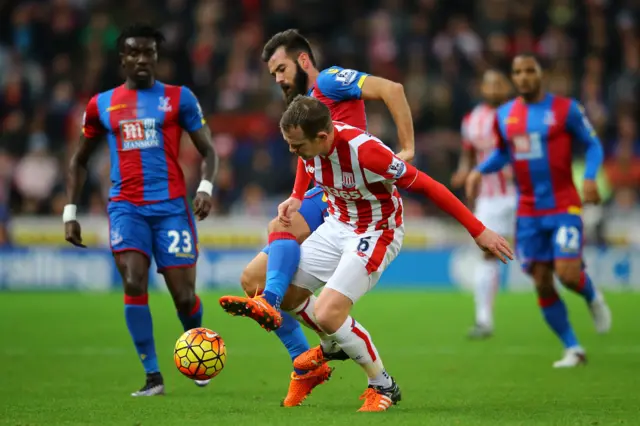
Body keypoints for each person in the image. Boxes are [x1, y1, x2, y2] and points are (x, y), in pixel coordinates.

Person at [277, 95, 513, 411]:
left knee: (328, 312)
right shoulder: (311, 144)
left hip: (376, 232)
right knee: (288, 296)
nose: (293, 151)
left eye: (297, 145)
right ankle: (335, 343)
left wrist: (478, 230)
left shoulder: (367, 153)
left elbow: (430, 187)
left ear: (322, 136)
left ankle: (383, 386)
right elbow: (307, 161)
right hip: (337, 223)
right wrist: (296, 195)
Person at [219, 29, 415, 406]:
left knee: (279, 233)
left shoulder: (328, 80)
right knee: (252, 279)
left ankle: (282, 310)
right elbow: (306, 158)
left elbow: (392, 88)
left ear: (304, 61)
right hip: (323, 191)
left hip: (345, 195)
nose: (277, 79)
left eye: (280, 69)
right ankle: (311, 357)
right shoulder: (305, 107)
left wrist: (406, 148)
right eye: (272, 73)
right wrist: (294, 195)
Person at [64, 24, 218, 395]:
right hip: (126, 207)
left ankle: (195, 345)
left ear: (157, 57)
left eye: (148, 52)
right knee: (134, 280)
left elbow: (209, 150)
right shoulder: (101, 104)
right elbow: (79, 161)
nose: (142, 59)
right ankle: (153, 376)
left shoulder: (179, 99)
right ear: (123, 59)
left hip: (171, 209)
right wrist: (71, 211)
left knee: (183, 296)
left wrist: (206, 187)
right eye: (134, 53)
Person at [465, 53, 612, 368]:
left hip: (564, 204)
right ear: (513, 78)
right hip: (528, 211)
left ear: (540, 74)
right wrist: (480, 170)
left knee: (568, 274)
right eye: (517, 72)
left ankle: (592, 296)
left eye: (529, 70)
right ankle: (573, 348)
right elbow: (503, 154)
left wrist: (588, 178)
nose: (523, 77)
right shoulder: (504, 115)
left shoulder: (566, 109)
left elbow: (594, 145)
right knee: (542, 281)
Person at [451, 69, 515, 339]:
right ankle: (483, 320)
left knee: (541, 256)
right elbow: (469, 153)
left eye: (499, 82)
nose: (494, 88)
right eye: (489, 83)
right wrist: (463, 170)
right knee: (488, 254)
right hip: (490, 198)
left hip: (523, 193)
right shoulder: (472, 120)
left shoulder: (518, 113)